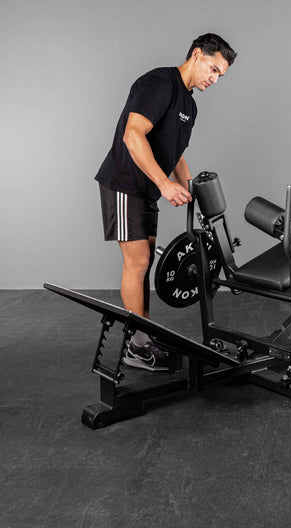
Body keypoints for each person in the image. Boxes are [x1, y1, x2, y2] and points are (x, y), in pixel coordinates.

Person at [95, 33, 236, 371]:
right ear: (197, 54)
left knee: (143, 265)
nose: (215, 79)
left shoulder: (190, 105)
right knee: (138, 262)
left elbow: (176, 154)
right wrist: (164, 184)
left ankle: (143, 336)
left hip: (147, 190)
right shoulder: (160, 83)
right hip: (125, 182)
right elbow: (133, 134)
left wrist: (192, 193)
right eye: (213, 69)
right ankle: (136, 346)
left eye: (220, 75)